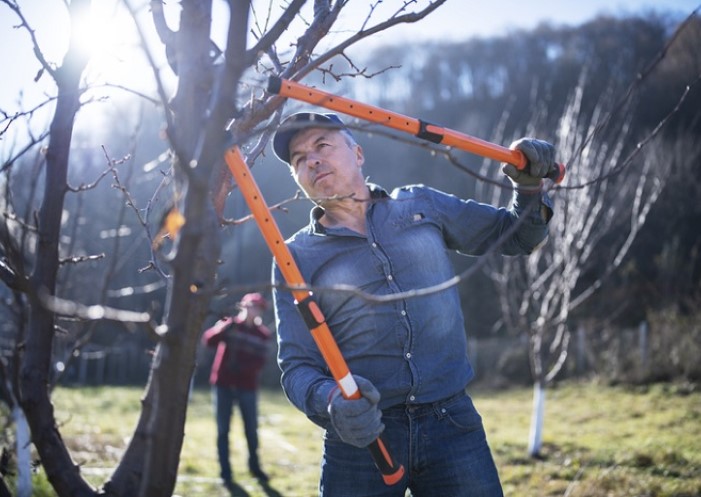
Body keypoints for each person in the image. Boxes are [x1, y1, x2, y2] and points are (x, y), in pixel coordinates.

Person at [270, 111, 556, 497]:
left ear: (357, 153)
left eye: (322, 145)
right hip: (363, 439)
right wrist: (333, 401)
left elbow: (515, 236)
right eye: (299, 159)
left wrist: (530, 187)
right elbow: (296, 367)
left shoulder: (421, 205)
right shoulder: (294, 257)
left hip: (451, 423)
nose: (312, 160)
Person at [202, 292, 272, 488]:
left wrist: (242, 369)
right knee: (223, 429)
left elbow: (260, 362)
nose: (253, 311)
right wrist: (222, 328)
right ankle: (226, 472)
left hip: (246, 386)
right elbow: (208, 341)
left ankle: (255, 467)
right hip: (223, 384)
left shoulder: (263, 335)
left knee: (251, 428)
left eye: (257, 308)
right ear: (243, 306)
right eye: (250, 306)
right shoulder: (230, 325)